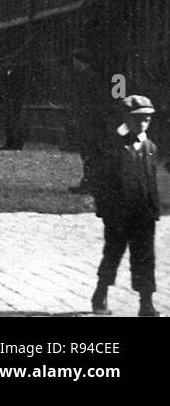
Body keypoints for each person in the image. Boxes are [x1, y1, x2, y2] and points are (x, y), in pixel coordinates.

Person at [91, 95, 160, 317]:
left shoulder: (149, 147)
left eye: (147, 119)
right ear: (125, 119)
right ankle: (100, 293)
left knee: (145, 257)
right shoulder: (112, 146)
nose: (142, 123)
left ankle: (145, 302)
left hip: (143, 214)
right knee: (113, 253)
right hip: (118, 213)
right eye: (137, 119)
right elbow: (101, 181)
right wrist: (105, 210)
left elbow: (151, 182)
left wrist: (153, 210)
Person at [69, 52, 107, 194]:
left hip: (90, 120)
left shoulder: (88, 77)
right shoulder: (91, 76)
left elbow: (92, 100)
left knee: (89, 152)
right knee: (89, 152)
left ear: (80, 61)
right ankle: (91, 182)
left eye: (75, 62)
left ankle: (90, 183)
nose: (73, 65)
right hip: (90, 120)